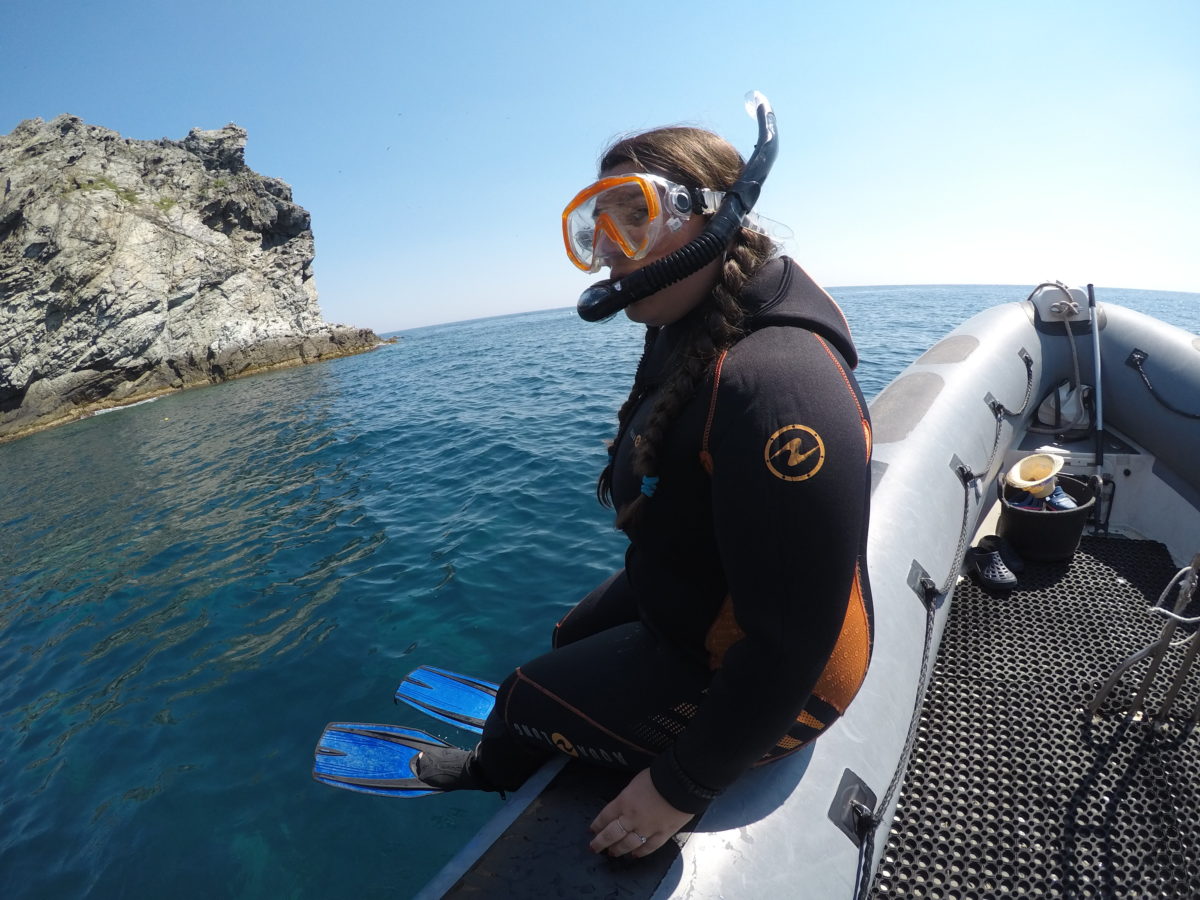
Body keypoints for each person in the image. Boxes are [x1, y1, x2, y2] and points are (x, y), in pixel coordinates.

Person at [414, 103, 874, 860]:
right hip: (706, 590)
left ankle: (493, 762)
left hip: (788, 684)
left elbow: (791, 644)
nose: (609, 253)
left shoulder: (779, 388)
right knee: (569, 633)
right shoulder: (686, 323)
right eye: (597, 226)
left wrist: (680, 787)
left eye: (637, 218)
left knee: (526, 695)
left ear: (717, 216)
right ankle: (562, 706)